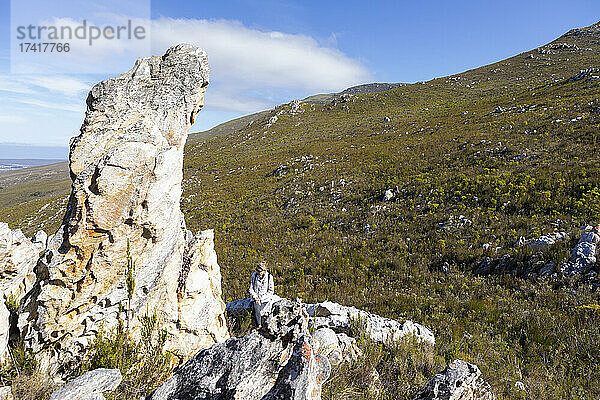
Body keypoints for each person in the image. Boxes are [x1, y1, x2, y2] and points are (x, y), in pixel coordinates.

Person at [249, 261, 274, 327]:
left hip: (265, 299)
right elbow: (251, 288)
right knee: (255, 306)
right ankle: (259, 325)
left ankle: (260, 325)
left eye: (260, 271)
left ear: (264, 271)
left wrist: (260, 298)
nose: (258, 273)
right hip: (255, 298)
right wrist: (255, 297)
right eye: (258, 271)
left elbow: (271, 291)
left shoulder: (269, 277)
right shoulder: (254, 276)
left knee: (258, 309)